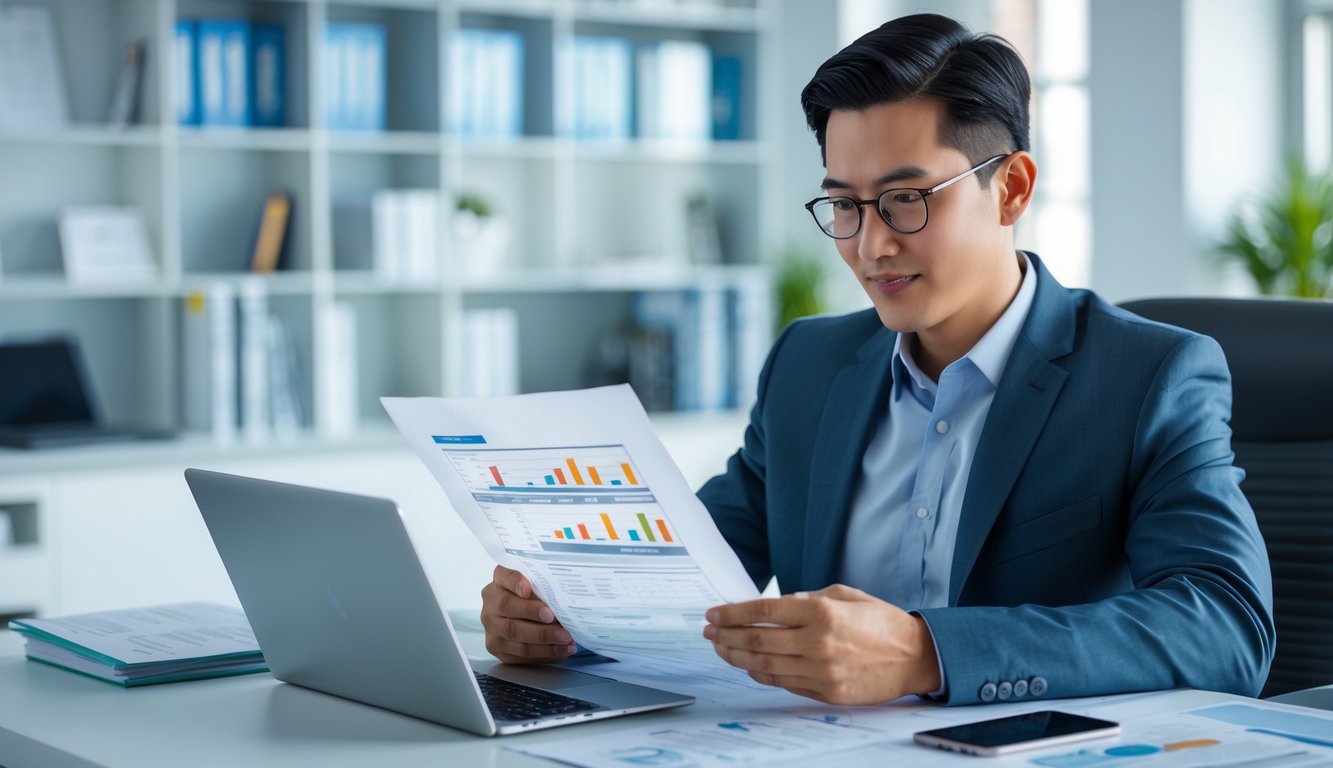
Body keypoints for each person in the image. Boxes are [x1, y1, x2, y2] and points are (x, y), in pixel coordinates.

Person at [480, 13, 1275, 706]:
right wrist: (562, 619)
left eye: (906, 199)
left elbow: (1226, 626)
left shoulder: (1146, 376)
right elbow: (687, 569)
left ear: (1010, 190)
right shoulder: (808, 364)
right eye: (845, 206)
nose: (870, 244)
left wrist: (925, 654)